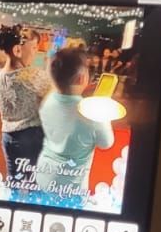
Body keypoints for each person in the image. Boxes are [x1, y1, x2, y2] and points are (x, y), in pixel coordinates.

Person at [35, 44, 116, 201]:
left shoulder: (48, 101)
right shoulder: (92, 113)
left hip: (43, 174)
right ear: (82, 78)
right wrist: (103, 111)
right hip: (70, 186)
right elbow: (106, 143)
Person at [0, 25, 48, 190]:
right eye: (34, 47)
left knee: (14, 182)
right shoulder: (34, 77)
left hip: (8, 137)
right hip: (32, 137)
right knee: (35, 184)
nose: (36, 52)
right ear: (17, 50)